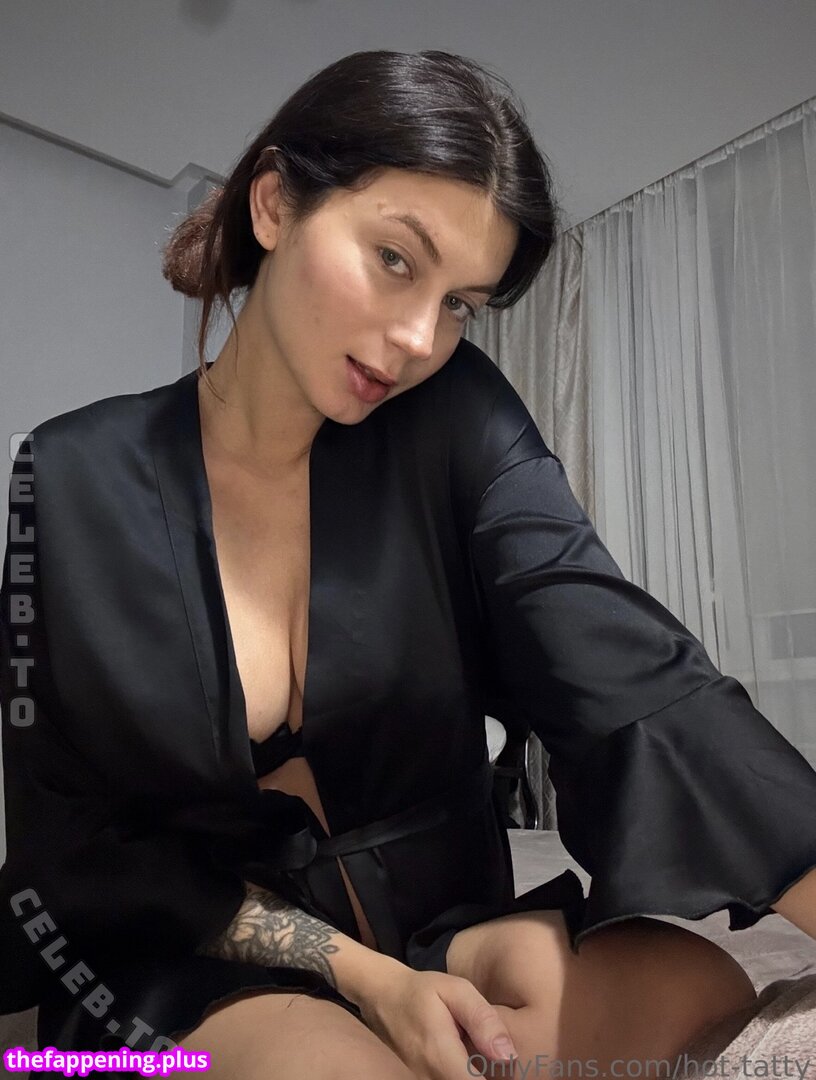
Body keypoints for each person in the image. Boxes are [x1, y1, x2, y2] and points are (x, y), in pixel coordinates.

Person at [2, 47, 816, 1080]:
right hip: (203, 951)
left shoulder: (454, 415)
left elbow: (633, 678)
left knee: (696, 988)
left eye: (462, 302)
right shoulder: (68, 477)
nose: (418, 338)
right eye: (395, 258)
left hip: (437, 922)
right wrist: (365, 978)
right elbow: (74, 845)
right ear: (274, 205)